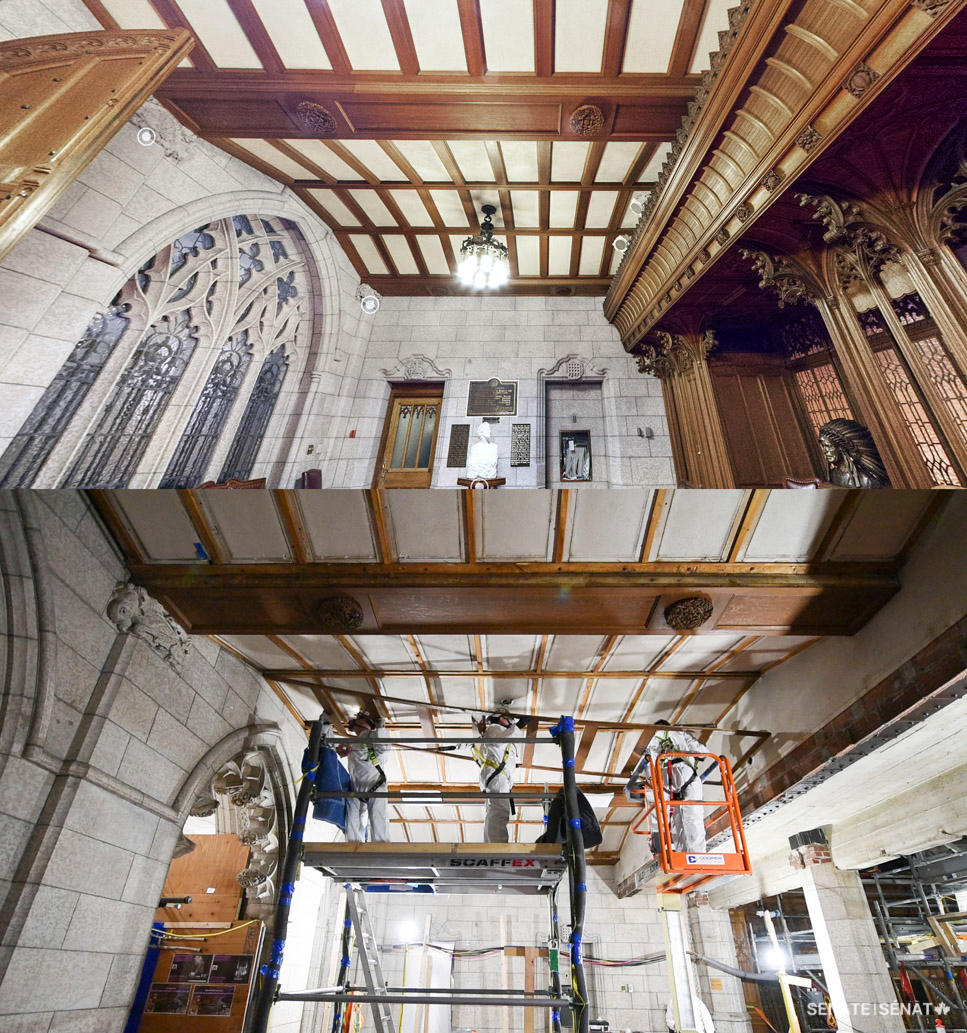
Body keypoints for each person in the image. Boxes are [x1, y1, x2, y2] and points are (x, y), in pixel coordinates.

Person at [629, 719, 707, 854]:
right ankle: (697, 855)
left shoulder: (649, 742)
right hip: (688, 779)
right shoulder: (681, 734)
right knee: (693, 818)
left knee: (674, 821)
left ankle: (674, 853)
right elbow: (703, 753)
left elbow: (640, 767)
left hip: (666, 784)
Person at [337, 711, 389, 842]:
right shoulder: (353, 742)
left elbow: (383, 747)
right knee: (353, 820)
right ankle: (354, 847)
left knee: (378, 818)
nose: (355, 721)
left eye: (359, 720)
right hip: (356, 787)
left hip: (375, 784)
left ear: (367, 723)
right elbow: (330, 746)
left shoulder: (372, 737)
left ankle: (381, 847)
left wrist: (381, 728)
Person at [473, 712, 522, 843]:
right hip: (496, 776)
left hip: (496, 776)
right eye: (509, 720)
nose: (511, 723)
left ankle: (492, 845)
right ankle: (497, 846)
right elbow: (500, 742)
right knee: (498, 812)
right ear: (501, 719)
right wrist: (518, 727)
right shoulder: (495, 729)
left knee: (495, 812)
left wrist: (515, 727)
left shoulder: (496, 730)